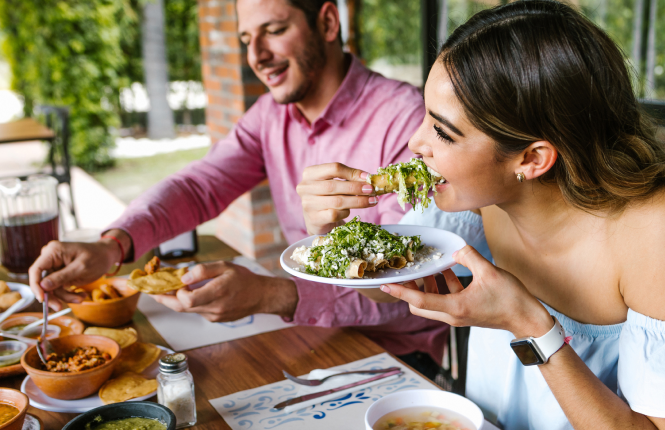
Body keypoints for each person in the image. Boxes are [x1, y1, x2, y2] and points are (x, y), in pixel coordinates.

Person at [307, 1, 665, 429]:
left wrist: (529, 325)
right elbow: (393, 288)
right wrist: (332, 238)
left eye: (442, 132)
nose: (414, 144)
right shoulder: (481, 197)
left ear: (532, 159)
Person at [27, 0, 447, 378]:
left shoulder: (404, 120)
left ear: (328, 22)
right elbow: (199, 186)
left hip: (396, 358)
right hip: (308, 337)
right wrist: (113, 245)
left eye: (275, 30)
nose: (256, 56)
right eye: (247, 38)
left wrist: (273, 294)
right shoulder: (269, 115)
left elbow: (409, 284)